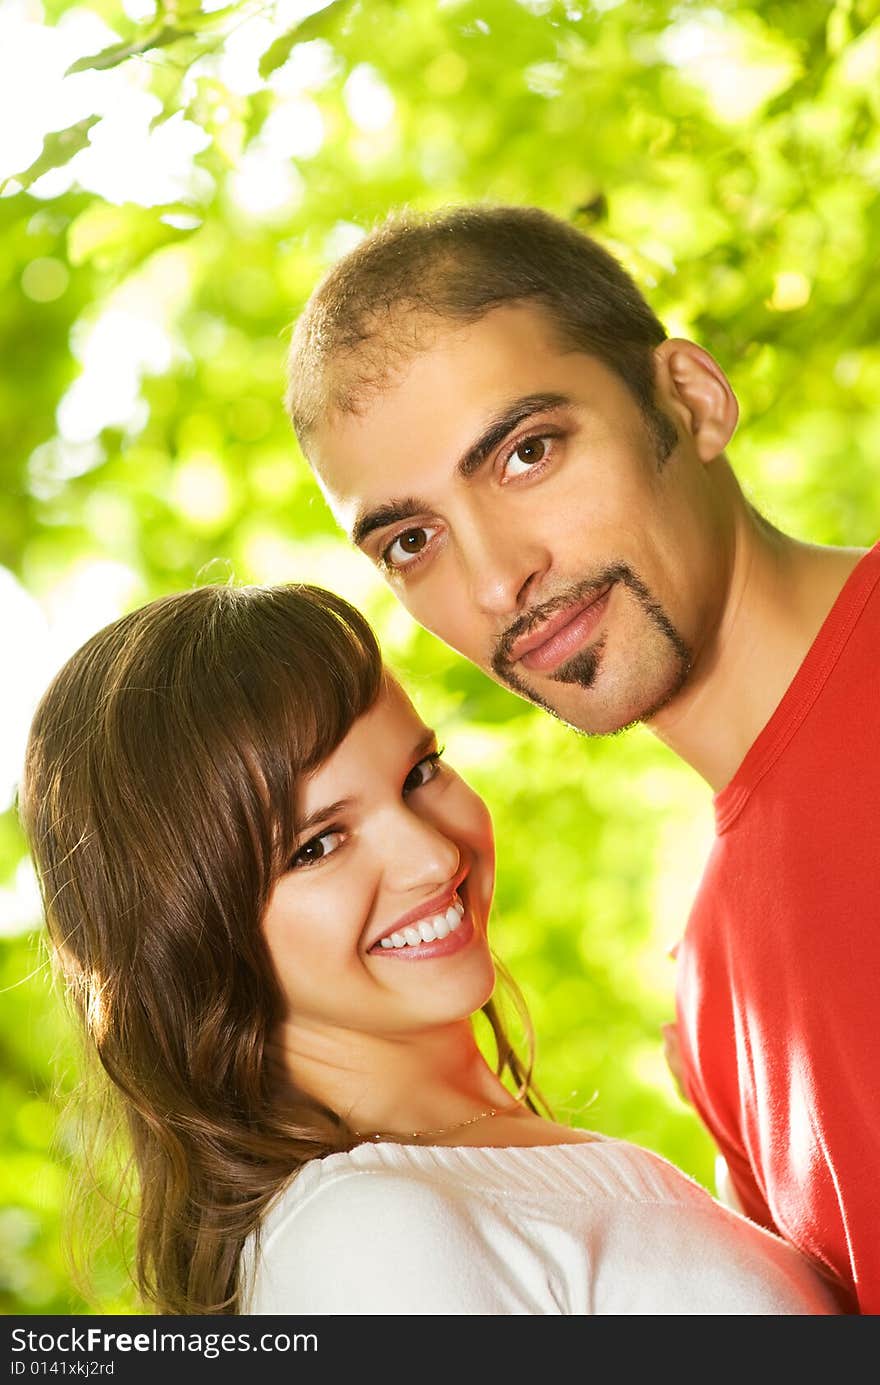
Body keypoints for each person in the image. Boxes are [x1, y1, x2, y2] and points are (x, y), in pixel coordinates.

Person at [282, 203, 879, 1316]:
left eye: (526, 453)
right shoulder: (714, 994)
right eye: (412, 539)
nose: (499, 578)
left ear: (691, 399)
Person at [20, 582, 845, 1316]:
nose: (433, 857)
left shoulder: (458, 1177)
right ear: (184, 935)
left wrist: (753, 1143)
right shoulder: (359, 1237)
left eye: (419, 772)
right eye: (316, 844)